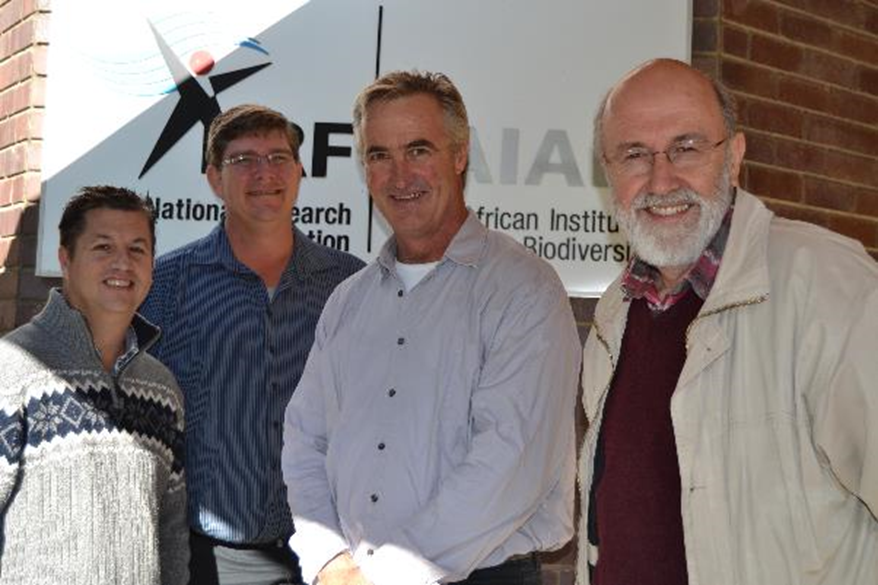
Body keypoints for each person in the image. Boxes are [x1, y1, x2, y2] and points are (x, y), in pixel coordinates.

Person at [576, 58, 878, 585]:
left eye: (687, 147)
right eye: (633, 155)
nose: (661, 178)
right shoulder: (614, 313)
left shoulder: (830, 287)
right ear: (609, 175)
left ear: (734, 158)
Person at [282, 70, 581, 585]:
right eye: (379, 155)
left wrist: (380, 576)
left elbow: (508, 462)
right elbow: (305, 440)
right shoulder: (348, 302)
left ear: (460, 155)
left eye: (418, 150)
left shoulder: (523, 290)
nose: (399, 175)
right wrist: (328, 559)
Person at [140, 105, 364, 584]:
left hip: (337, 559)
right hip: (215, 562)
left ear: (301, 172)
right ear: (214, 180)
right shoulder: (166, 286)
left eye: (278, 157)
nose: (265, 172)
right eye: (243, 160)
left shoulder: (349, 284)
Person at [0, 185, 188, 584]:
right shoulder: (12, 370)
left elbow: (171, 534)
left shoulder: (161, 388)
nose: (122, 263)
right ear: (65, 259)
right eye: (102, 247)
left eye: (138, 249)